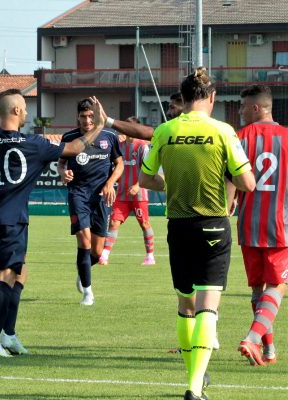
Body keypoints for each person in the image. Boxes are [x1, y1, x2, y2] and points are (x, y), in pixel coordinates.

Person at [0, 89, 106, 357]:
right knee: (5, 275)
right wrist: (100, 126)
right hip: (11, 220)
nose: (27, 114)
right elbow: (76, 147)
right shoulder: (33, 143)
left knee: (20, 272)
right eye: (25, 108)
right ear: (17, 111)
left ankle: (8, 335)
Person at [138, 68, 255, 400]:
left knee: (186, 304)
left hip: (178, 226)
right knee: (208, 305)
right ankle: (193, 386)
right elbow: (247, 182)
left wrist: (169, 183)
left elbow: (147, 180)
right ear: (212, 98)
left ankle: (195, 380)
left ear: (184, 98)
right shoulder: (222, 131)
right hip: (214, 225)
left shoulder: (164, 130)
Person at [234, 85, 288, 366]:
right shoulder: (287, 137)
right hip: (281, 225)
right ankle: (253, 339)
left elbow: (230, 178)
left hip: (248, 225)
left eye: (243, 106)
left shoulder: (239, 138)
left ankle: (269, 351)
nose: (240, 111)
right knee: (278, 286)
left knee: (257, 290)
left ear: (256, 108)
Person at [57, 98, 123, 305]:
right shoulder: (69, 137)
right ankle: (88, 292)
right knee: (83, 241)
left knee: (96, 251)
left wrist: (110, 183)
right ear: (77, 117)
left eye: (90, 116)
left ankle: (83, 271)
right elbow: (61, 162)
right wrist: (62, 173)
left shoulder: (110, 136)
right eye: (83, 116)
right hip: (78, 194)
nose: (87, 120)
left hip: (102, 197)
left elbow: (119, 164)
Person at [99, 116, 155, 266]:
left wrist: (138, 185)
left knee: (144, 224)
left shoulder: (142, 146)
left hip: (139, 194)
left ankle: (150, 256)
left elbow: (148, 169)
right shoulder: (119, 146)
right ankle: (104, 255)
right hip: (122, 194)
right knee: (114, 223)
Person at [102, 92, 185, 140]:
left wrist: (107, 120)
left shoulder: (142, 145)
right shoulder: (168, 131)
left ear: (186, 105)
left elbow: (145, 132)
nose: (168, 113)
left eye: (172, 107)